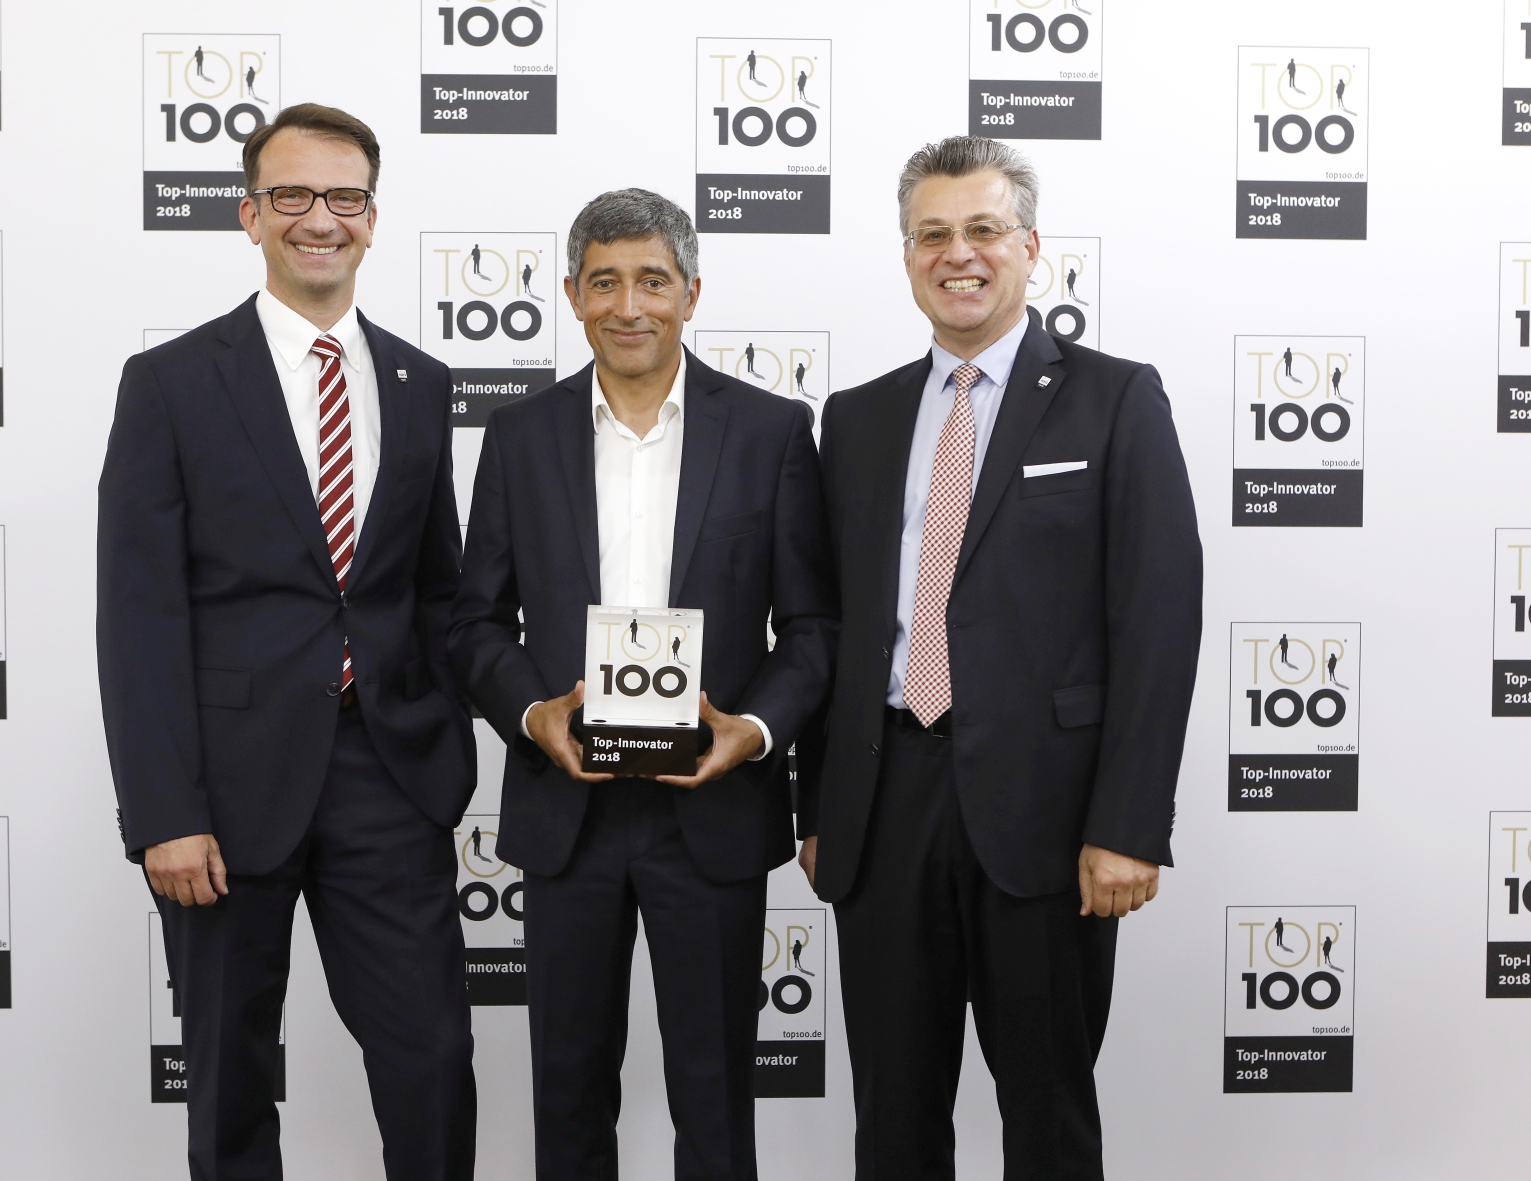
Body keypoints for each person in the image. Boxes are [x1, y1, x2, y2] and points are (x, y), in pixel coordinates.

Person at [796, 137, 1202, 1181]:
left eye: (982, 230)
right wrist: (816, 807)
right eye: (932, 233)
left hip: (1048, 815)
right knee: (891, 1113)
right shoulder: (856, 417)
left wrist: (1126, 823)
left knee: (1046, 1109)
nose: (957, 253)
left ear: (1030, 247)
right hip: (883, 805)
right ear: (905, 255)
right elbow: (826, 627)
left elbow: (1157, 621)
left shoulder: (1114, 399)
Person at [97, 103, 476, 1181]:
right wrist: (164, 810)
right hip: (221, 791)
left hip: (387, 774)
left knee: (433, 1056)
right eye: (294, 197)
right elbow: (137, 612)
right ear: (249, 215)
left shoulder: (418, 380)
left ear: (370, 215)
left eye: (344, 197)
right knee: (227, 1070)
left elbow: (433, 587)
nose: (322, 218)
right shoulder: (169, 383)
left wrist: (439, 749)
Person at [450, 188, 837, 1181]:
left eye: (653, 280)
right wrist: (533, 714)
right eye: (607, 281)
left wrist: (749, 729)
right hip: (562, 805)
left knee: (714, 1101)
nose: (631, 304)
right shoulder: (519, 433)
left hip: (709, 810)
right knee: (567, 1092)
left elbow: (810, 629)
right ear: (572, 295)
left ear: (692, 292)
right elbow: (476, 622)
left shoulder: (769, 431)